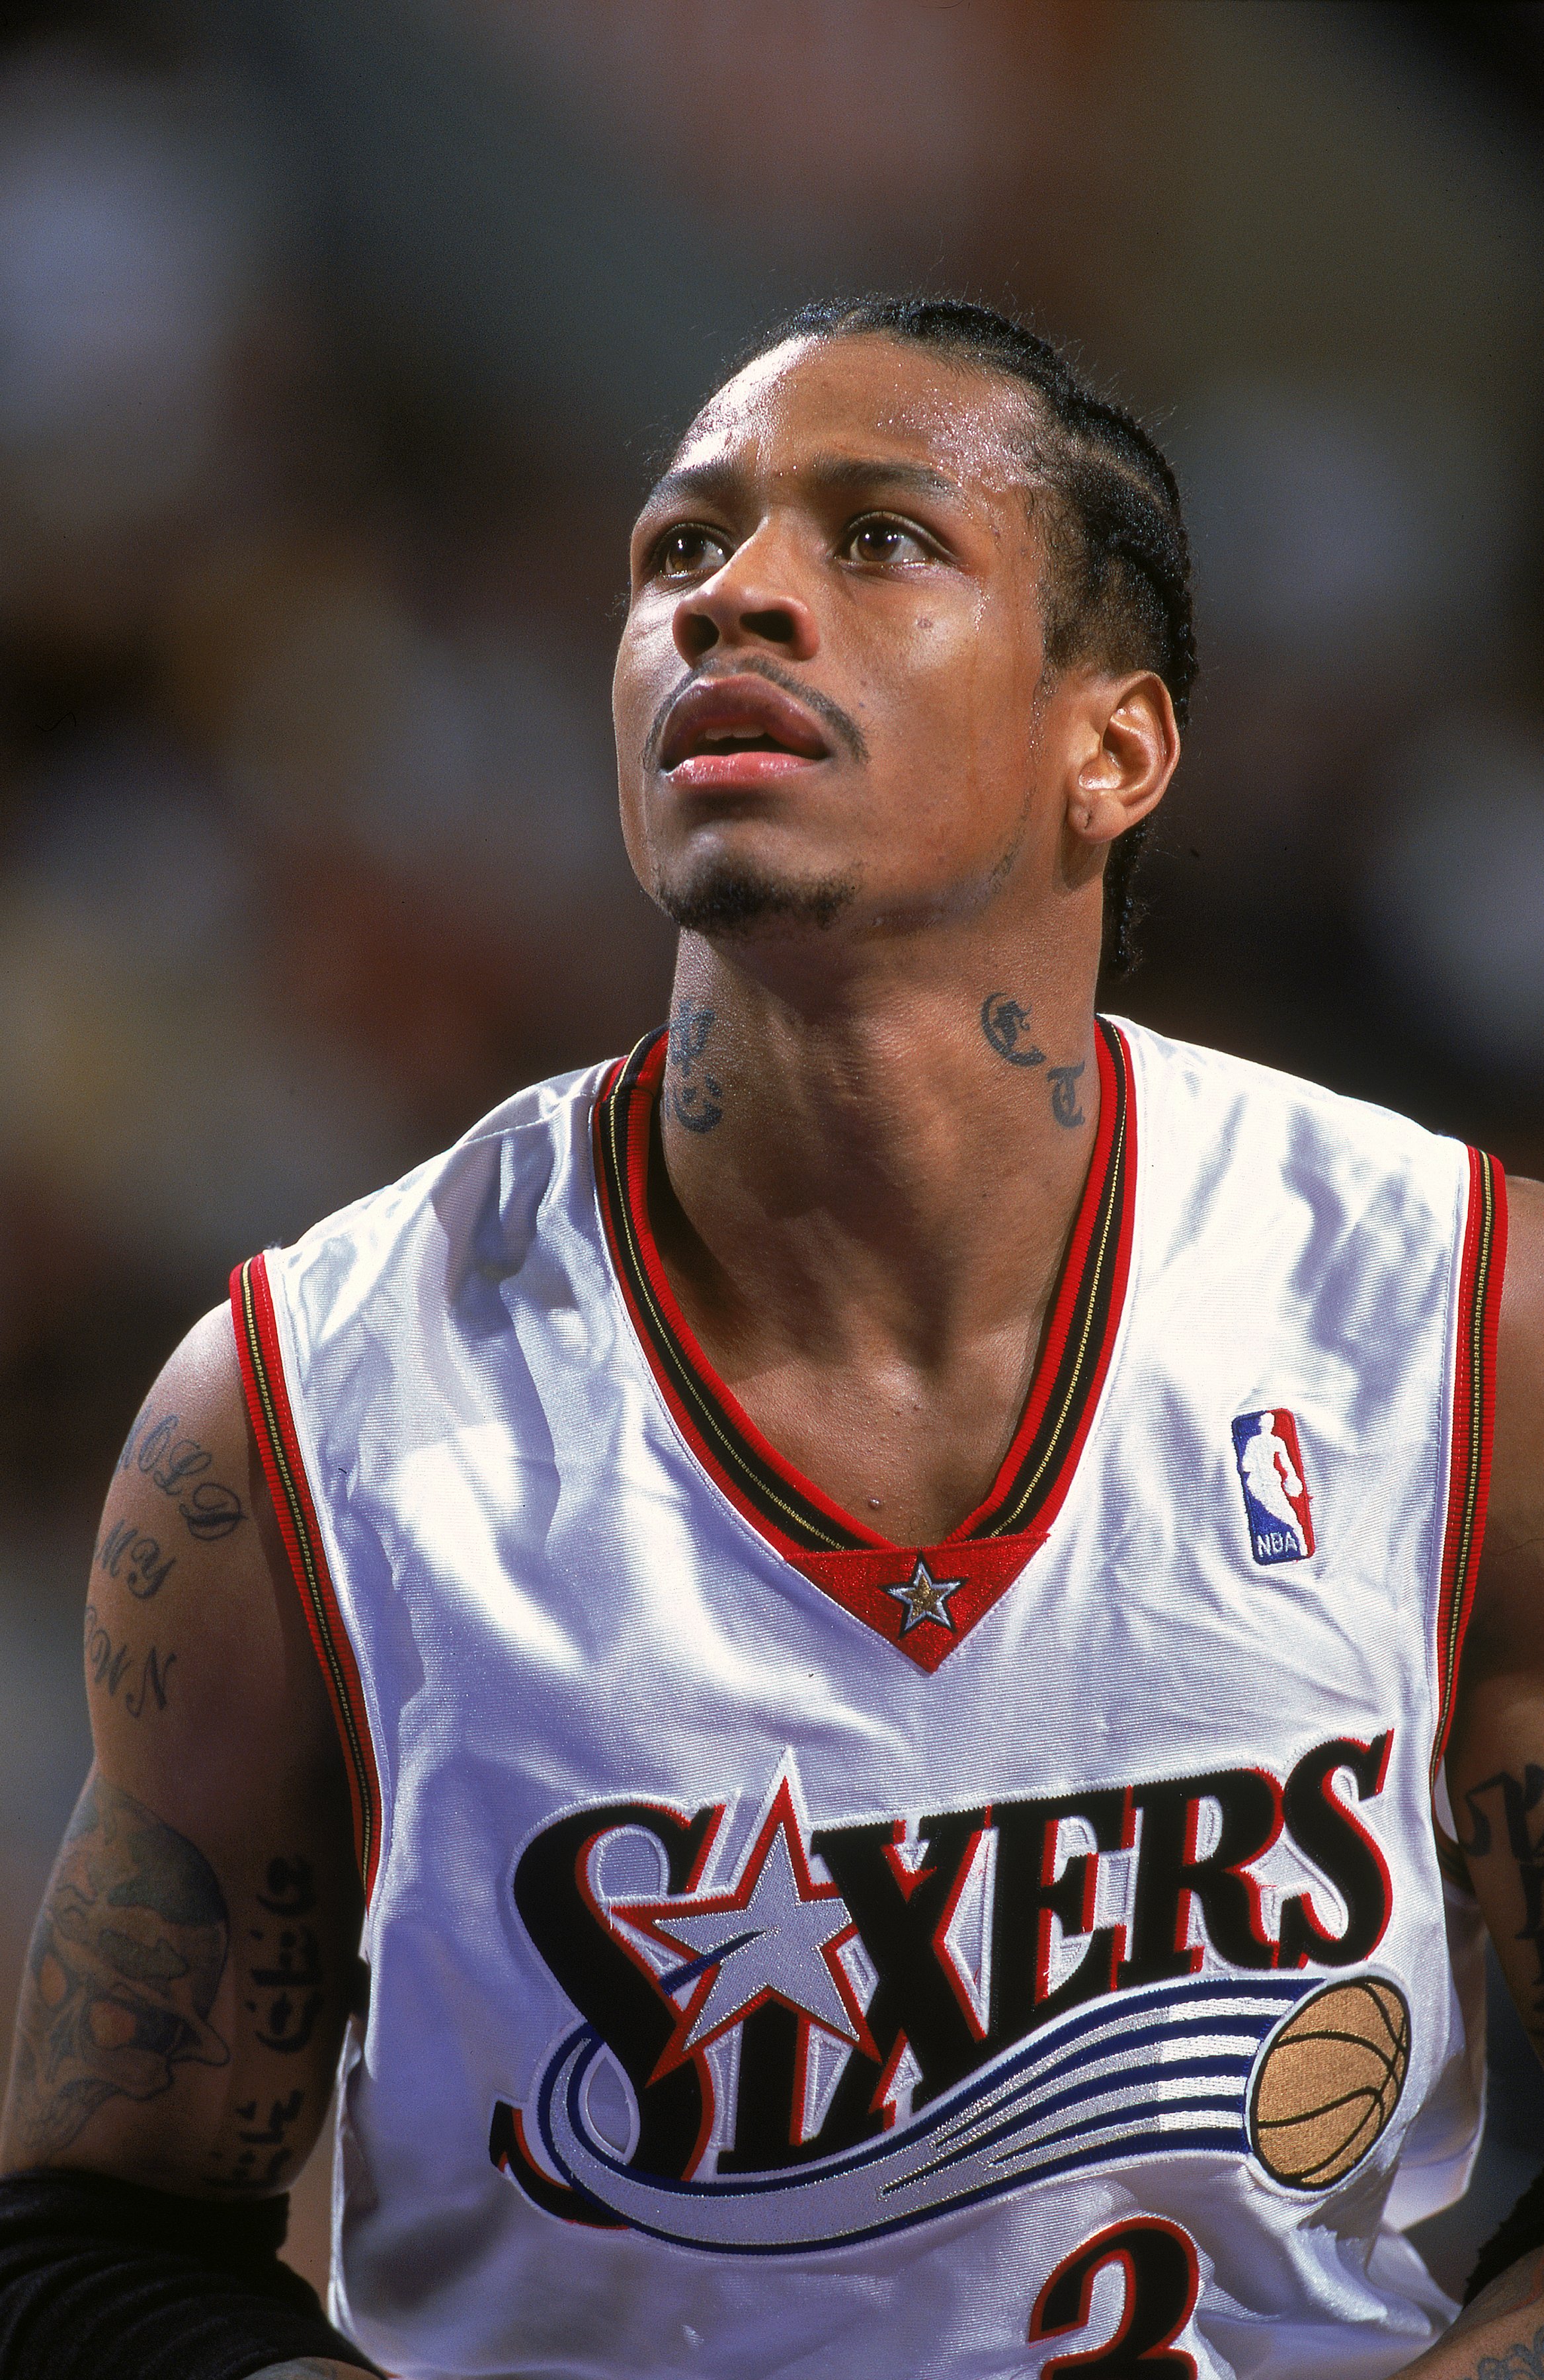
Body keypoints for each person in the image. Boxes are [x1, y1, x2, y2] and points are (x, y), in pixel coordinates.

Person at [1, 294, 1541, 2380]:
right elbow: (86, 2248)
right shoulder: (302, 1407)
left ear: (1113, 749)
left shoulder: (1458, 1324)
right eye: (678, 550)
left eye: (881, 537)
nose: (731, 596)